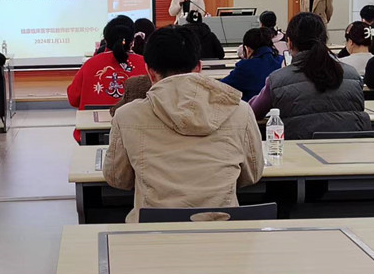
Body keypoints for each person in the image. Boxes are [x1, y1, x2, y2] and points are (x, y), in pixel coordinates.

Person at [103, 25, 264, 222]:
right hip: (221, 232)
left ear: (150, 73)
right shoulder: (241, 111)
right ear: (199, 68)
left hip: (152, 233)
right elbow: (252, 174)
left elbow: (118, 178)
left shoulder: (126, 116)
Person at [249, 12, 371, 139]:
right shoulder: (353, 75)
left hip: (298, 148)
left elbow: (253, 112)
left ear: (289, 43)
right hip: (348, 148)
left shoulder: (277, 80)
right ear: (324, 41)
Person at [67, 21, 147, 142]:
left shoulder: (90, 64)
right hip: (137, 136)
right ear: (132, 42)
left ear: (105, 40)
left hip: (92, 138)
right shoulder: (145, 64)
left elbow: (73, 99)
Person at [220, 27, 282, 101]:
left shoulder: (245, 67)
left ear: (247, 49)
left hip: (253, 107)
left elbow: (221, 86)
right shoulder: (283, 61)